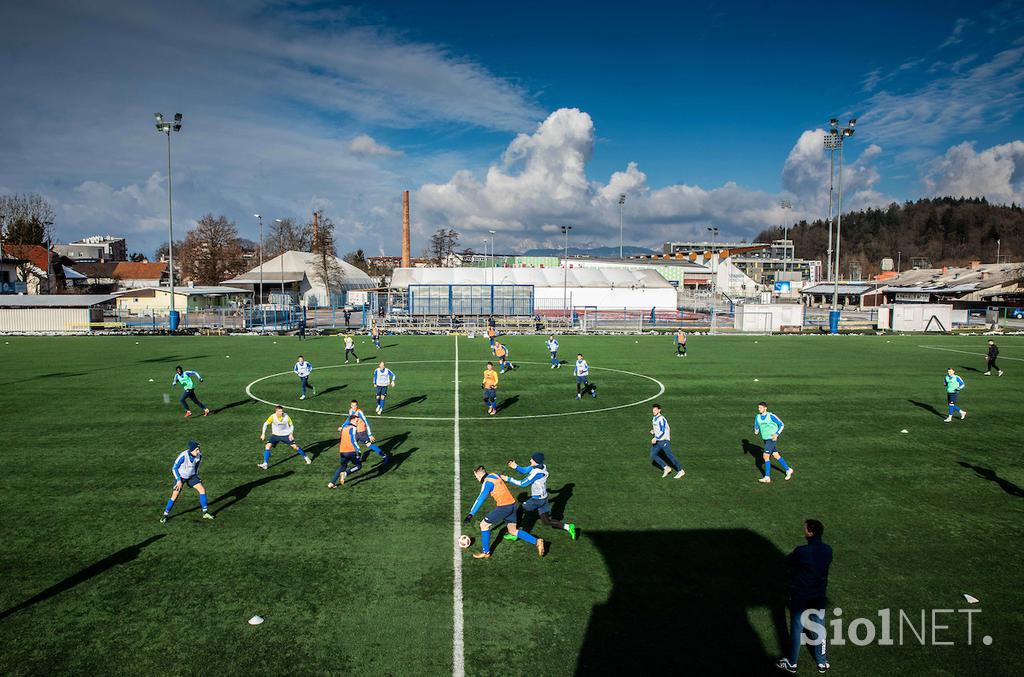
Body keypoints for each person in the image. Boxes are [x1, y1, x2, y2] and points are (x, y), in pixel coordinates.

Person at [776, 519, 833, 675]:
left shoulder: (802, 551)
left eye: (805, 529)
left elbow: (787, 563)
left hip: (800, 596)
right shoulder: (828, 550)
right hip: (818, 596)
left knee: (796, 629)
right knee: (819, 628)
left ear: (810, 532)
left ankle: (792, 663)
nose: (804, 530)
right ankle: (822, 663)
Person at [463, 465, 545, 559]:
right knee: (512, 531)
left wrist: (471, 514)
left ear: (479, 475)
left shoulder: (487, 483)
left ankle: (486, 552)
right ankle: (537, 541)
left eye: (476, 476)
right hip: (513, 505)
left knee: (483, 525)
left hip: (504, 507)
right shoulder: (494, 475)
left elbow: (480, 499)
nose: (476, 478)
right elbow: (501, 477)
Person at [501, 453, 577, 540]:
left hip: (537, 500)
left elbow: (522, 484)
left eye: (532, 459)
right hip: (544, 498)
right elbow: (525, 470)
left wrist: (508, 479)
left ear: (536, 461)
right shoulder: (542, 466)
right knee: (546, 521)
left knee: (520, 509)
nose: (530, 460)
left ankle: (514, 533)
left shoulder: (537, 473)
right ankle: (568, 527)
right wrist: (515, 466)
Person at [161, 440, 214, 522]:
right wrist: (178, 480)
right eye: (197, 449)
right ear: (192, 450)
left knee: (202, 490)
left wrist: (196, 476)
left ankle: (205, 512)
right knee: (175, 495)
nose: (198, 451)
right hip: (181, 477)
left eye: (198, 449)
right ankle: (165, 515)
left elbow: (196, 467)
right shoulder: (183, 456)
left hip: (191, 476)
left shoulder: (199, 456)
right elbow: (174, 468)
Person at [755, 401, 793, 484]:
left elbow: (782, 424)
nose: (759, 409)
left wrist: (777, 434)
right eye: (758, 408)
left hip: (771, 439)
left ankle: (767, 477)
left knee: (765, 457)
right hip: (765, 439)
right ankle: (788, 469)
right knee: (776, 455)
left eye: (760, 408)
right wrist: (756, 429)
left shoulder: (771, 416)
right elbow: (757, 425)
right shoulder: (757, 416)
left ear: (765, 408)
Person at [650, 404, 685, 478]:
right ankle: (666, 468)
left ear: (659, 410)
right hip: (658, 442)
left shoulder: (661, 419)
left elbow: (662, 430)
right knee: (653, 454)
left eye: (655, 410)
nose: (653, 411)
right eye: (653, 410)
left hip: (664, 441)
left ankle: (680, 470)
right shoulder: (654, 418)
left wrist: (656, 438)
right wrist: (653, 431)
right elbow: (658, 428)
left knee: (670, 456)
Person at [328, 416, 363, 488]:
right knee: (358, 466)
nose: (357, 422)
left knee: (342, 466)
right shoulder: (353, 428)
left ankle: (332, 483)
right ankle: (346, 473)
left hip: (342, 451)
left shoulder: (344, 428)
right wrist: (358, 450)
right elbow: (353, 440)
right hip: (351, 451)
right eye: (356, 421)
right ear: (352, 420)